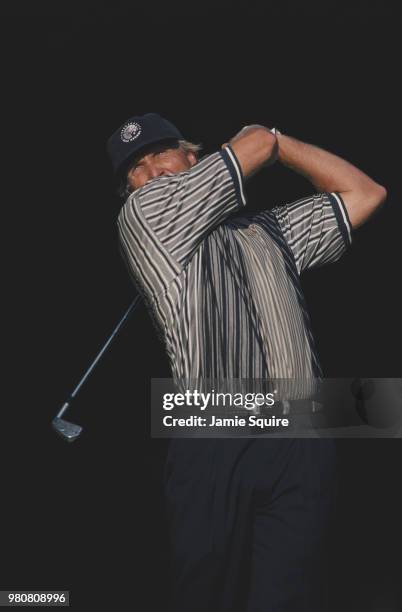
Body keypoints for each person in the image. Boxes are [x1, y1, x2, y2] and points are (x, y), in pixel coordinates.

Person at [107, 113, 386, 611]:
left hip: (303, 433)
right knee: (209, 597)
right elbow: (254, 146)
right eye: (135, 169)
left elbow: (366, 193)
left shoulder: (267, 228)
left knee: (290, 598)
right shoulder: (145, 214)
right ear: (129, 190)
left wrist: (283, 143)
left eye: (160, 155)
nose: (150, 173)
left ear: (192, 155)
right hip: (215, 429)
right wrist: (263, 140)